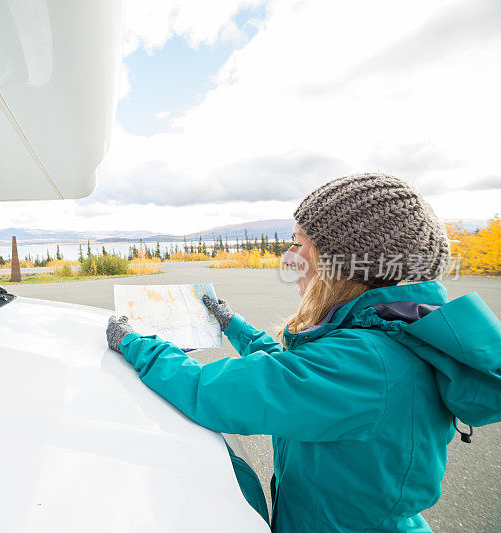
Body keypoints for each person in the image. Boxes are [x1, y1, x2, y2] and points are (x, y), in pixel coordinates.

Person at [106, 173, 501, 533]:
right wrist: (234, 326)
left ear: (343, 264)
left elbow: (214, 392)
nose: (288, 259)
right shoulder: (391, 336)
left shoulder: (365, 362)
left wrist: (136, 343)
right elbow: (300, 376)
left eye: (299, 244)